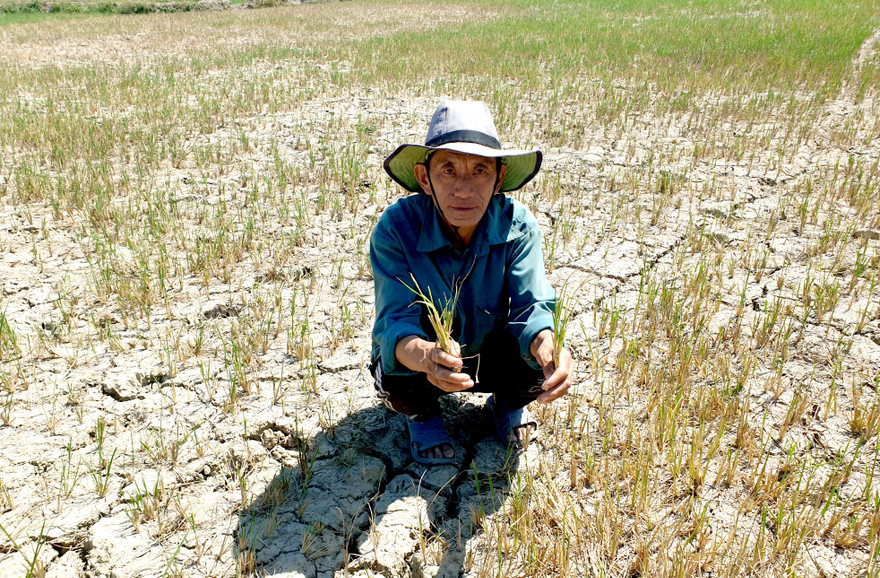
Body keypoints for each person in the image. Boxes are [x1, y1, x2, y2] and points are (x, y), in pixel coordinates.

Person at [369, 100, 573, 465]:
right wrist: (429, 358)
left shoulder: (518, 226)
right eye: (448, 170)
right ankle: (423, 415)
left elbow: (534, 308)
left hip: (492, 353)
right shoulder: (396, 230)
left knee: (539, 362)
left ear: (498, 178)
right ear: (423, 178)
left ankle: (505, 406)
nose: (464, 189)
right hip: (426, 364)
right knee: (392, 371)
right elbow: (394, 323)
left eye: (480, 170)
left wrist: (549, 347)